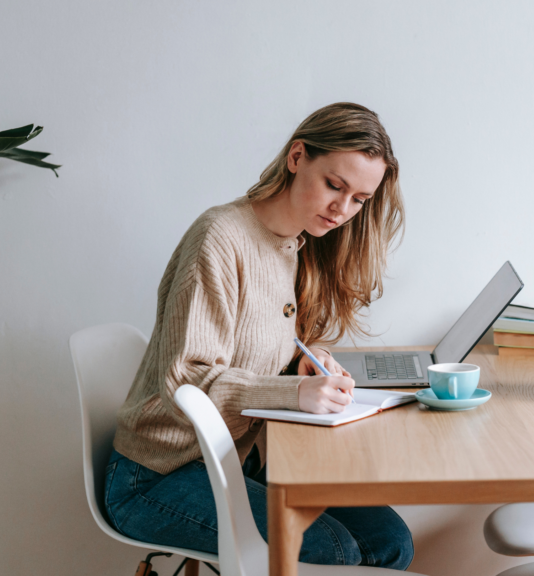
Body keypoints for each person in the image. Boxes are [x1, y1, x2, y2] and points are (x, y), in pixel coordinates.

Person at [105, 102, 411, 569]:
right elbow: (184, 380)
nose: (342, 210)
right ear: (297, 157)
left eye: (360, 200)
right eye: (334, 185)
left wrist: (305, 362)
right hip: (157, 475)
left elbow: (256, 343)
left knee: (390, 540)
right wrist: (294, 391)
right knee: (332, 549)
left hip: (236, 460)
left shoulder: (295, 244)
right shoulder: (220, 238)